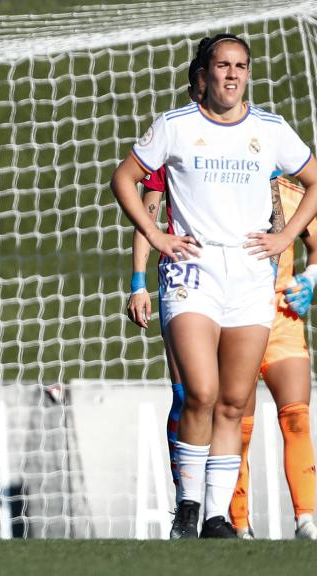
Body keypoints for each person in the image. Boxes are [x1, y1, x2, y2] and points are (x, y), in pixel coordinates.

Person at [111, 33, 317, 539]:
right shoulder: (176, 126)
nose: (232, 75)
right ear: (204, 75)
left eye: (241, 66)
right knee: (200, 391)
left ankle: (219, 517)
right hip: (193, 270)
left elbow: (314, 181)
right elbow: (124, 179)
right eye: (223, 66)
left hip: (250, 274)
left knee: (233, 399)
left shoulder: (270, 129)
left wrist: (286, 236)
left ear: (248, 73)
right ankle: (187, 505)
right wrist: (156, 235)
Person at [125, 53, 206, 499]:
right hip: (181, 276)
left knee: (231, 400)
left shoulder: (246, 139)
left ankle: (228, 509)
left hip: (235, 278)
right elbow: (149, 216)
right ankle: (186, 499)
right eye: (197, 85)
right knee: (187, 391)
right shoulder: (173, 141)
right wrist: (138, 282)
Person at [228, 175, 317, 540]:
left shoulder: (294, 193)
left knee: (296, 417)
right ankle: (238, 525)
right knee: (238, 428)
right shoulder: (224, 189)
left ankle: (306, 521)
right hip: (236, 318)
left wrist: (310, 278)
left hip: (282, 317)